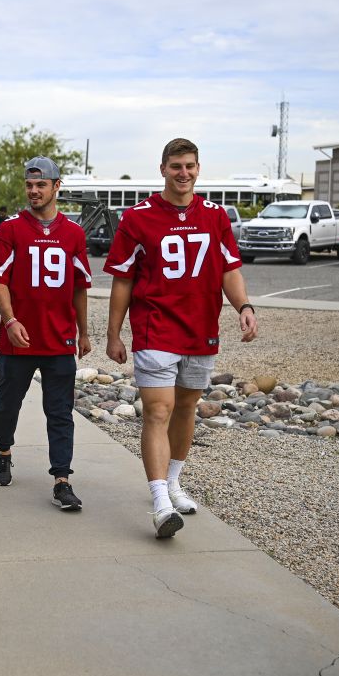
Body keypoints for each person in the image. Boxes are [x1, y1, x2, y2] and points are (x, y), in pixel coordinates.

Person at [103, 138, 258, 538]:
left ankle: (173, 482)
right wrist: (113, 334)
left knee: (186, 408)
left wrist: (243, 307)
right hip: (156, 328)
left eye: (189, 166)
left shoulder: (215, 215)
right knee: (158, 410)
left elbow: (229, 269)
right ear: (163, 169)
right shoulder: (138, 218)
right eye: (176, 166)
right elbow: (123, 279)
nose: (183, 173)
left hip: (200, 329)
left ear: (198, 169)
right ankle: (158, 503)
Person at [0, 157, 91, 509]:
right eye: (29, 185)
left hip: (59, 338)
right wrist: (10, 321)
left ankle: (62, 479)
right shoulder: (11, 229)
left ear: (56, 187)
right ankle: (3, 449)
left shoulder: (73, 233)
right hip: (20, 338)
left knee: (60, 411)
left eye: (41, 185)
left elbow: (79, 287)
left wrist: (84, 332)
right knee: (8, 403)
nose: (34, 191)